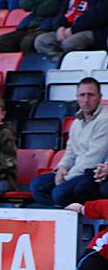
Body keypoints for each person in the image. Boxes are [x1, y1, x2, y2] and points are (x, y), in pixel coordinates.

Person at [30, 78, 108, 207]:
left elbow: (93, 158)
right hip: (75, 171)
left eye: (91, 95)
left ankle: (66, 213)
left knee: (59, 193)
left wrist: (66, 178)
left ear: (100, 97)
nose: (86, 99)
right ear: (77, 97)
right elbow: (70, 151)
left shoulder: (104, 120)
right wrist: (62, 168)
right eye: (82, 95)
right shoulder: (76, 122)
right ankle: (60, 215)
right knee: (37, 185)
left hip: (91, 173)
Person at [0, 0, 77, 53]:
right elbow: (23, 2)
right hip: (30, 24)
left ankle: (34, 68)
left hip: (49, 26)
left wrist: (36, 3)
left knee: (27, 43)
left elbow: (53, 6)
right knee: (0, 42)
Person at [33, 0, 108, 61]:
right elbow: (64, 8)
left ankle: (77, 68)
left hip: (97, 30)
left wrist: (73, 30)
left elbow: (100, 13)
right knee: (42, 41)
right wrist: (60, 27)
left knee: (70, 43)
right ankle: (60, 67)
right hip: (69, 28)